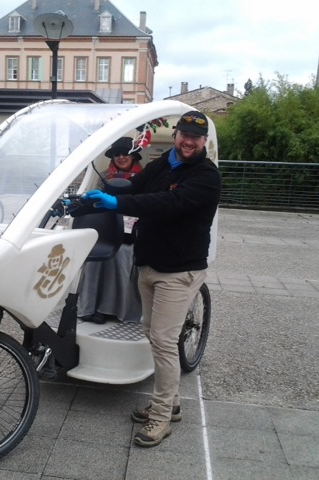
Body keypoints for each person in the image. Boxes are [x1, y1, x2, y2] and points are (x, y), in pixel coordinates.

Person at [82, 111, 221, 447]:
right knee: (152, 334)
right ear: (176, 135)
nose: (189, 141)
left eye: (196, 138)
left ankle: (161, 416)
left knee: (162, 340)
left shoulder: (206, 175)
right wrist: (100, 194)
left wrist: (117, 202)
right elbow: (136, 186)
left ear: (203, 142)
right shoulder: (162, 163)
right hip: (149, 263)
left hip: (180, 269)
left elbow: (168, 203)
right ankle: (169, 402)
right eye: (184, 134)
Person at [78, 137, 143, 324]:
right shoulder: (104, 177)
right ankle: (89, 306)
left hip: (133, 233)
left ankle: (108, 309)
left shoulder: (142, 178)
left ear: (133, 156)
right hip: (106, 228)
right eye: (117, 154)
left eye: (125, 153)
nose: (121, 157)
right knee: (94, 258)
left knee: (122, 255)